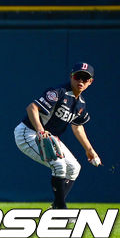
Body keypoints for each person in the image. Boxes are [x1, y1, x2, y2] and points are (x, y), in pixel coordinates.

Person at [14, 62, 101, 210]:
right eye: (78, 76)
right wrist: (40, 130)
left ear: (90, 82)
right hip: (28, 133)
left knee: (74, 168)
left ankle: (55, 207)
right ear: (71, 76)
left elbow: (78, 126)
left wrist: (89, 149)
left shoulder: (80, 104)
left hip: (49, 137)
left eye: (85, 78)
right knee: (59, 165)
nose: (80, 81)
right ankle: (61, 209)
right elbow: (32, 107)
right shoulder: (58, 92)